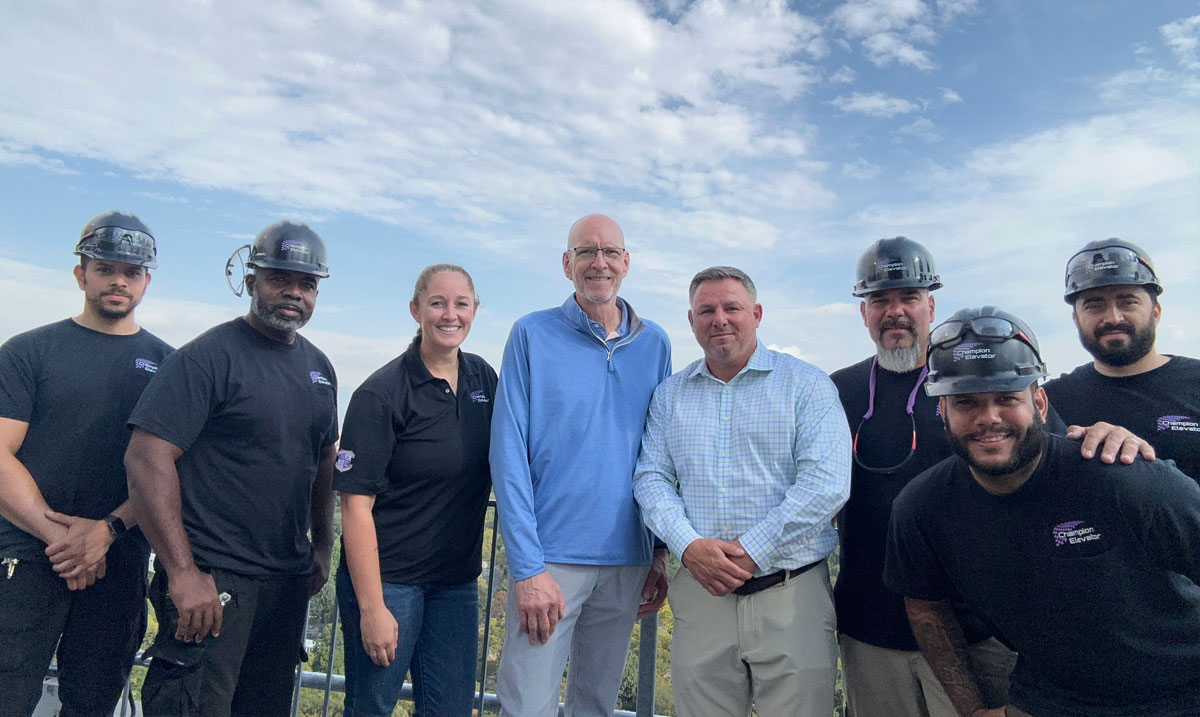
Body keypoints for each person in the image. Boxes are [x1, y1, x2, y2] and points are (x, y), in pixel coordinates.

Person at [885, 307, 1200, 717]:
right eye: (966, 403)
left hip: (1178, 697)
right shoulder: (922, 507)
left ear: (1039, 402)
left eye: (1006, 398)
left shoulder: (1122, 479)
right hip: (1046, 701)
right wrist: (973, 710)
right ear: (943, 412)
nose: (989, 418)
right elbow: (926, 608)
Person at [125, 221, 338, 715]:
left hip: (284, 588)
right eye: (279, 278)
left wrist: (324, 547)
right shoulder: (207, 358)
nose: (294, 292)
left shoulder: (320, 369)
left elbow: (325, 459)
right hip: (212, 583)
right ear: (251, 281)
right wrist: (182, 573)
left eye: (307, 283)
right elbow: (146, 457)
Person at [634, 266, 851, 717]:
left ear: (756, 314)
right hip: (703, 599)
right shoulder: (670, 395)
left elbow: (827, 483)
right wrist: (688, 545)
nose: (720, 319)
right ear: (691, 320)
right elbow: (651, 478)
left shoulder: (807, 385)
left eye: (732, 307)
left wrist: (752, 550)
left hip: (791, 597)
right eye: (706, 310)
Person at [490, 214, 672, 716]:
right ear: (567, 263)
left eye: (610, 251)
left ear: (626, 263)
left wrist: (658, 552)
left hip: (627, 561)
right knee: (527, 707)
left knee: (595, 706)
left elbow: (660, 451)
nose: (599, 262)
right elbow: (508, 453)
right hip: (549, 561)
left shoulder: (655, 344)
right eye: (586, 251)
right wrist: (527, 567)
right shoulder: (531, 334)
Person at [831, 238, 1016, 717]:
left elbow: (1042, 458)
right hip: (869, 632)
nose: (894, 312)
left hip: (975, 634)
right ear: (864, 313)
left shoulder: (975, 382)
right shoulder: (837, 391)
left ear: (930, 307)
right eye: (879, 300)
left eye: (909, 298)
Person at [0, 211, 171, 716]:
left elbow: (169, 470)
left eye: (132, 272)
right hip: (27, 556)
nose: (119, 281)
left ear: (146, 281)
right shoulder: (28, 352)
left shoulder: (170, 367)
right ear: (81, 275)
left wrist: (107, 532)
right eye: (105, 269)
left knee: (93, 703)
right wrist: (64, 541)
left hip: (118, 560)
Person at [335, 264, 497, 716]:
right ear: (416, 310)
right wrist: (372, 608)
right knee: (371, 707)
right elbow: (355, 506)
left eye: (461, 304)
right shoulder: (381, 393)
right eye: (437, 303)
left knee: (450, 709)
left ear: (474, 310)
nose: (450, 314)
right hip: (390, 583)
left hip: (455, 583)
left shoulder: (483, 379)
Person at [1044, 238, 1200, 480]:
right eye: (1094, 306)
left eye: (1128, 302)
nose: (1113, 317)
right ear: (1076, 319)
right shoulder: (1049, 403)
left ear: (1156, 312)